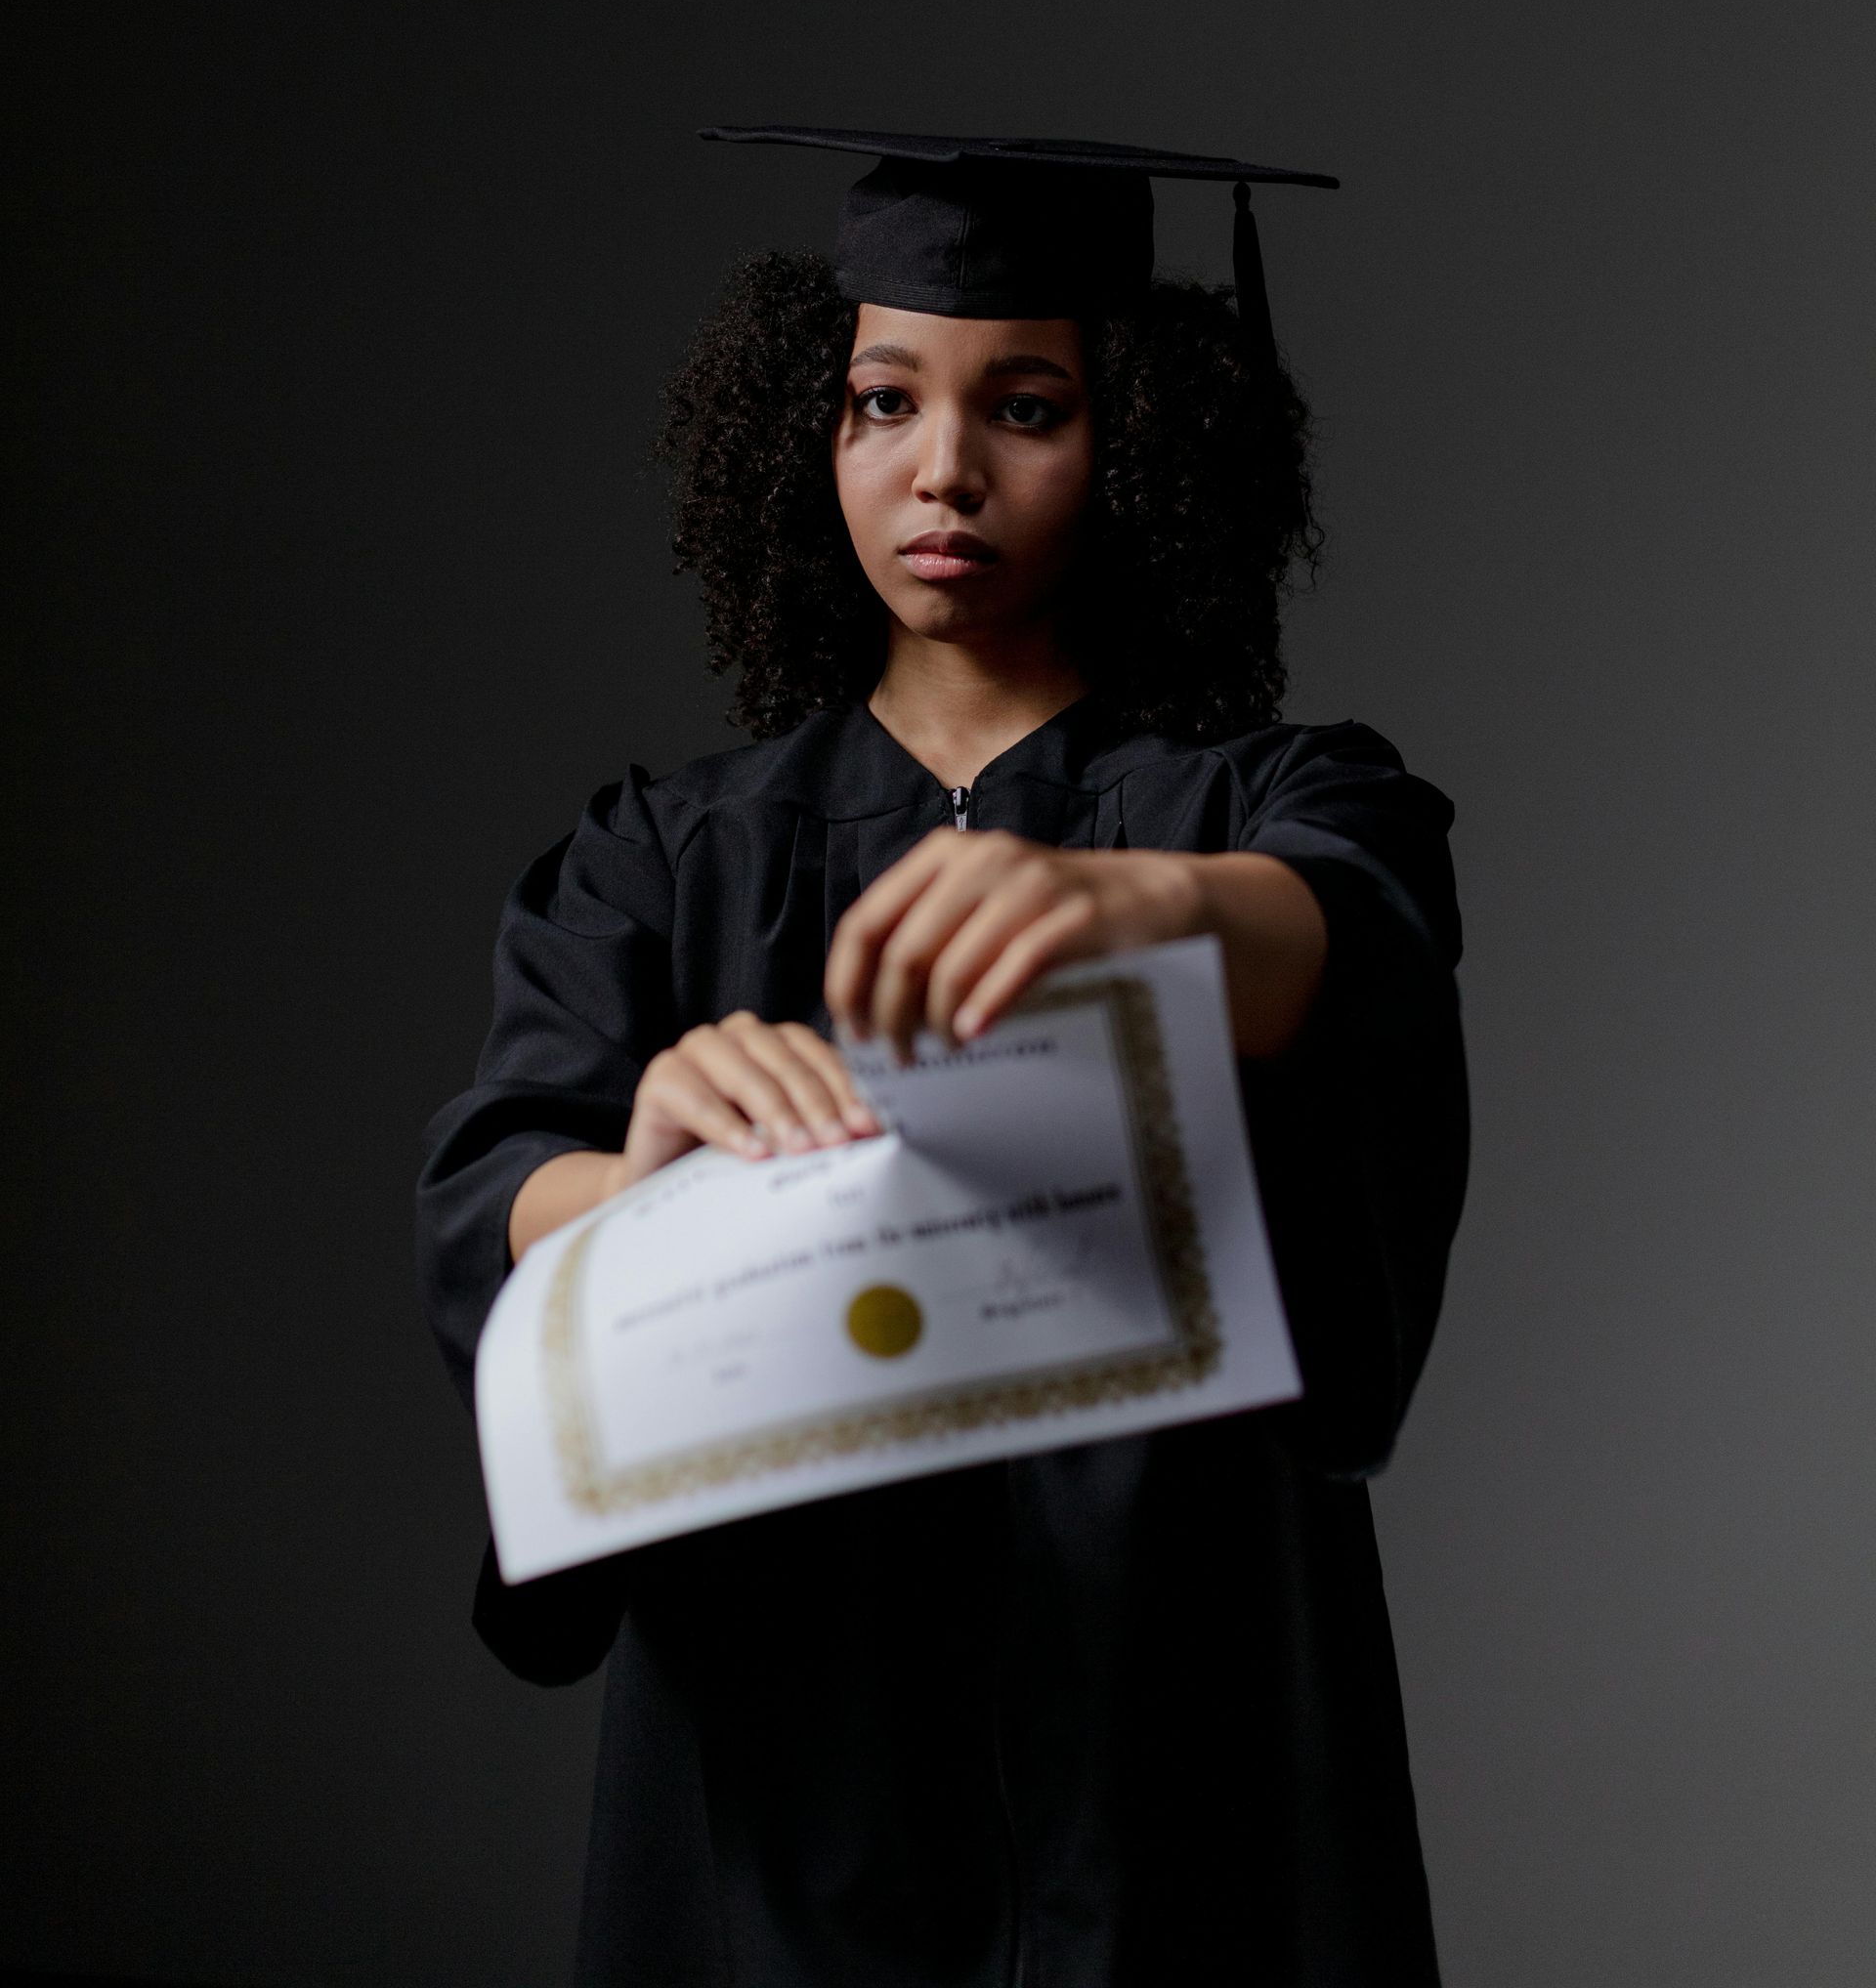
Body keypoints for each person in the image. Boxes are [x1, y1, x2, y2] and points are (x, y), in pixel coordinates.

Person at [416, 130, 1468, 1988]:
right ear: (800, 436)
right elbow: (503, 1188)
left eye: (1031, 406)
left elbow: (1344, 929)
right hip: (790, 1713)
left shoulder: (1260, 803)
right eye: (881, 401)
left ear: (1141, 439)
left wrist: (1148, 911)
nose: (942, 471)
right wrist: (634, 1182)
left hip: (1182, 1717)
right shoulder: (670, 852)